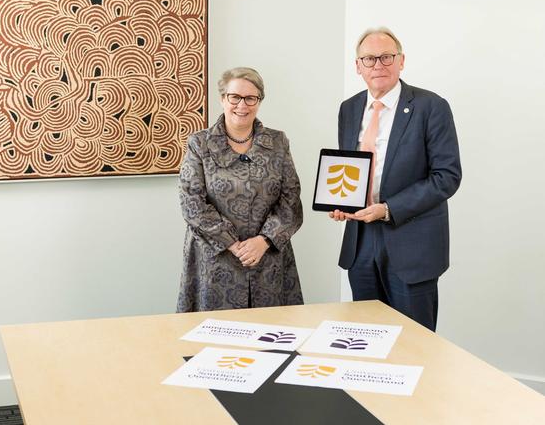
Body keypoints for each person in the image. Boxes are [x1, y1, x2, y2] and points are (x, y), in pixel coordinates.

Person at [330, 28, 462, 331]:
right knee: (366, 338)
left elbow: (447, 176)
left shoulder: (431, 106)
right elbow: (350, 167)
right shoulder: (349, 108)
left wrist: (388, 208)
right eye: (369, 58)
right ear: (358, 66)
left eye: (386, 57)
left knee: (415, 344)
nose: (378, 64)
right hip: (360, 241)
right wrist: (342, 201)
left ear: (401, 61)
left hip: (411, 243)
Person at [177, 67, 304, 312]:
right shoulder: (199, 143)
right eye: (234, 97)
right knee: (213, 340)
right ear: (223, 98)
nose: (242, 105)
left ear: (259, 101)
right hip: (215, 260)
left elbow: (291, 200)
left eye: (250, 98)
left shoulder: (278, 142)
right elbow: (192, 204)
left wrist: (264, 241)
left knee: (271, 338)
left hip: (268, 259)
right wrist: (235, 245)